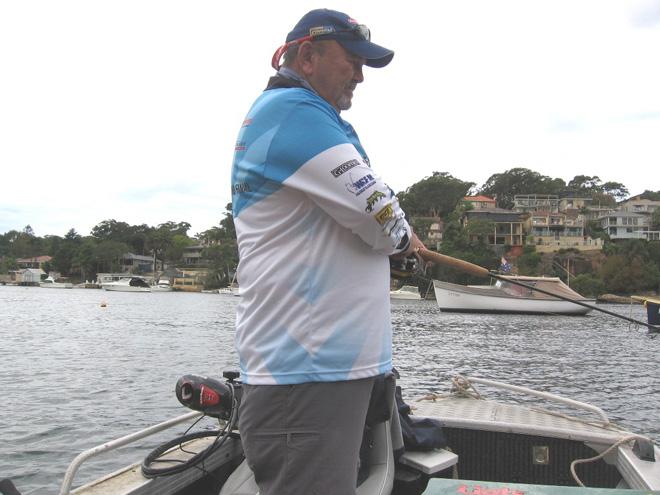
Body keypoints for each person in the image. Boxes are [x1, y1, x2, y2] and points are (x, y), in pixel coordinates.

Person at [230, 8, 424, 495]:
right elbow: (380, 216)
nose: (360, 74)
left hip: (325, 373)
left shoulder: (310, 117)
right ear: (308, 55)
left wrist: (395, 233)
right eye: (352, 59)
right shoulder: (295, 113)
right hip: (307, 377)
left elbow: (368, 212)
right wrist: (403, 240)